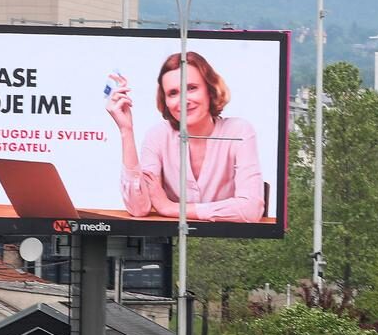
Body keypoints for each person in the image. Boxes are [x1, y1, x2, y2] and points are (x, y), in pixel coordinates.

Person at [107, 51, 266, 221]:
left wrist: (172, 208)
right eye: (173, 93)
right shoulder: (158, 136)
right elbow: (139, 209)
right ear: (166, 101)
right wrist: (126, 130)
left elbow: (250, 210)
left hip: (233, 243)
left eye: (191, 88)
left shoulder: (239, 131)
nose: (184, 100)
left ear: (210, 90)